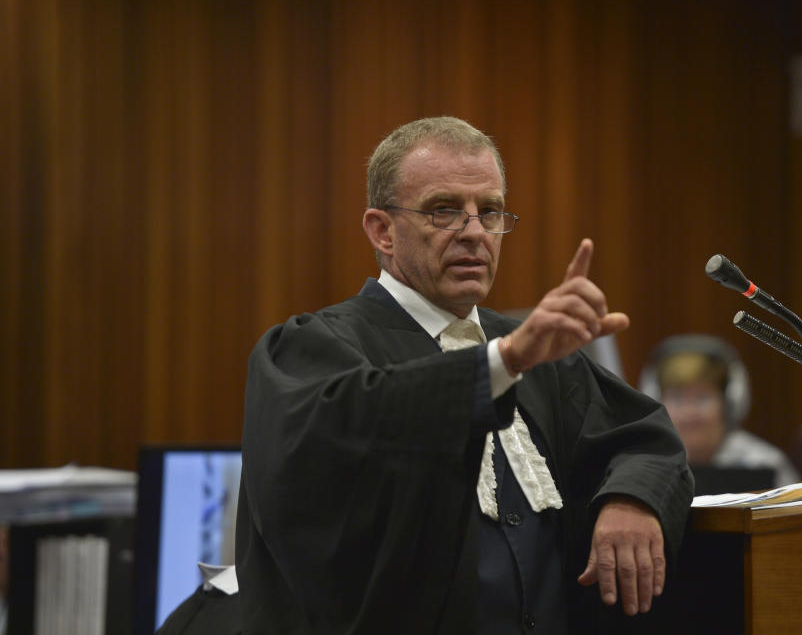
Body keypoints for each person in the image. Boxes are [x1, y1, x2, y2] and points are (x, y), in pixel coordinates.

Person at [235, 116, 694, 634]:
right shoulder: (314, 347)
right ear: (382, 230)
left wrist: (631, 500)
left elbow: (645, 438)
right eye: (444, 210)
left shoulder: (536, 351)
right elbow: (365, 427)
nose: (474, 232)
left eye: (490, 212)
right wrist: (504, 362)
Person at [639, 334, 800, 487]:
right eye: (677, 399)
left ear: (729, 402)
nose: (689, 413)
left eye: (702, 398)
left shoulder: (764, 463)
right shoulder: (641, 467)